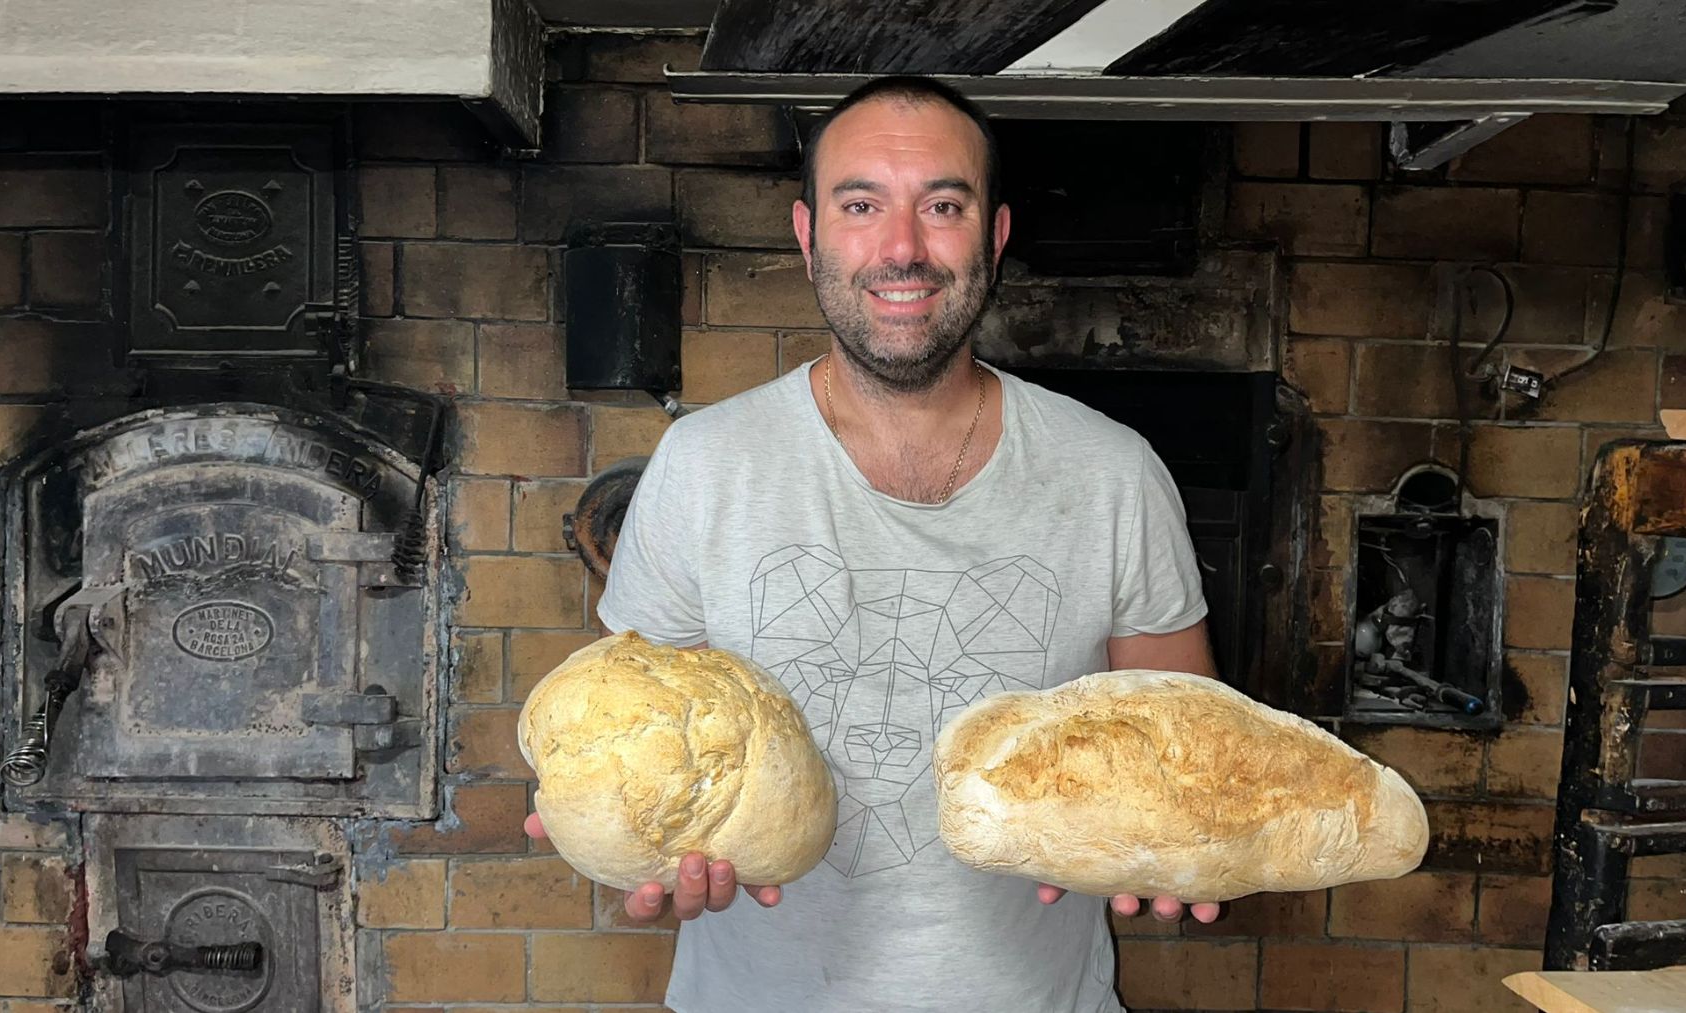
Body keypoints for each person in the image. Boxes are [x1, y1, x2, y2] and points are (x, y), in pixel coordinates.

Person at [523, 74, 1222, 1013]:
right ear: (809, 235)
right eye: (863, 204)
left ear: (995, 235)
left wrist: (1182, 832)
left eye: (943, 205)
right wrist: (632, 842)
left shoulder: (1112, 474)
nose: (903, 248)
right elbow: (635, 735)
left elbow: (1189, 745)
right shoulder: (704, 463)